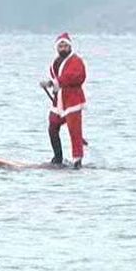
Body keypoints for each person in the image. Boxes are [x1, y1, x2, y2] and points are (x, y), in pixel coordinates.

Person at [39, 32, 87, 169]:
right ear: (57, 48)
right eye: (61, 46)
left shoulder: (77, 61)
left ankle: (77, 161)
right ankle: (58, 157)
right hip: (59, 100)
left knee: (74, 131)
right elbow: (57, 80)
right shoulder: (55, 62)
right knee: (53, 126)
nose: (63, 48)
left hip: (73, 101)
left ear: (70, 46)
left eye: (66, 45)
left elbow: (76, 77)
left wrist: (52, 82)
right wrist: (52, 85)